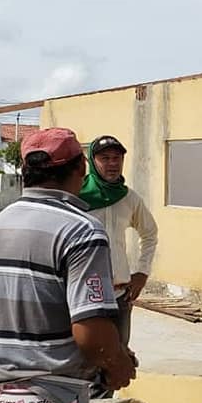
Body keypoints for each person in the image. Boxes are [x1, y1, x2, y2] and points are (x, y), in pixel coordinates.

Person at [0, 127, 136, 403]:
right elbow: (90, 330)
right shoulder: (82, 230)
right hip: (41, 399)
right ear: (81, 168)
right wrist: (117, 363)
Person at [78, 135, 158, 349]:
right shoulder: (77, 197)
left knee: (118, 361)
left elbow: (150, 234)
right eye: (105, 158)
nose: (112, 164)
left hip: (119, 296)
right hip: (83, 297)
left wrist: (142, 272)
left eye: (117, 158)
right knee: (84, 360)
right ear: (92, 162)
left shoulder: (129, 198)